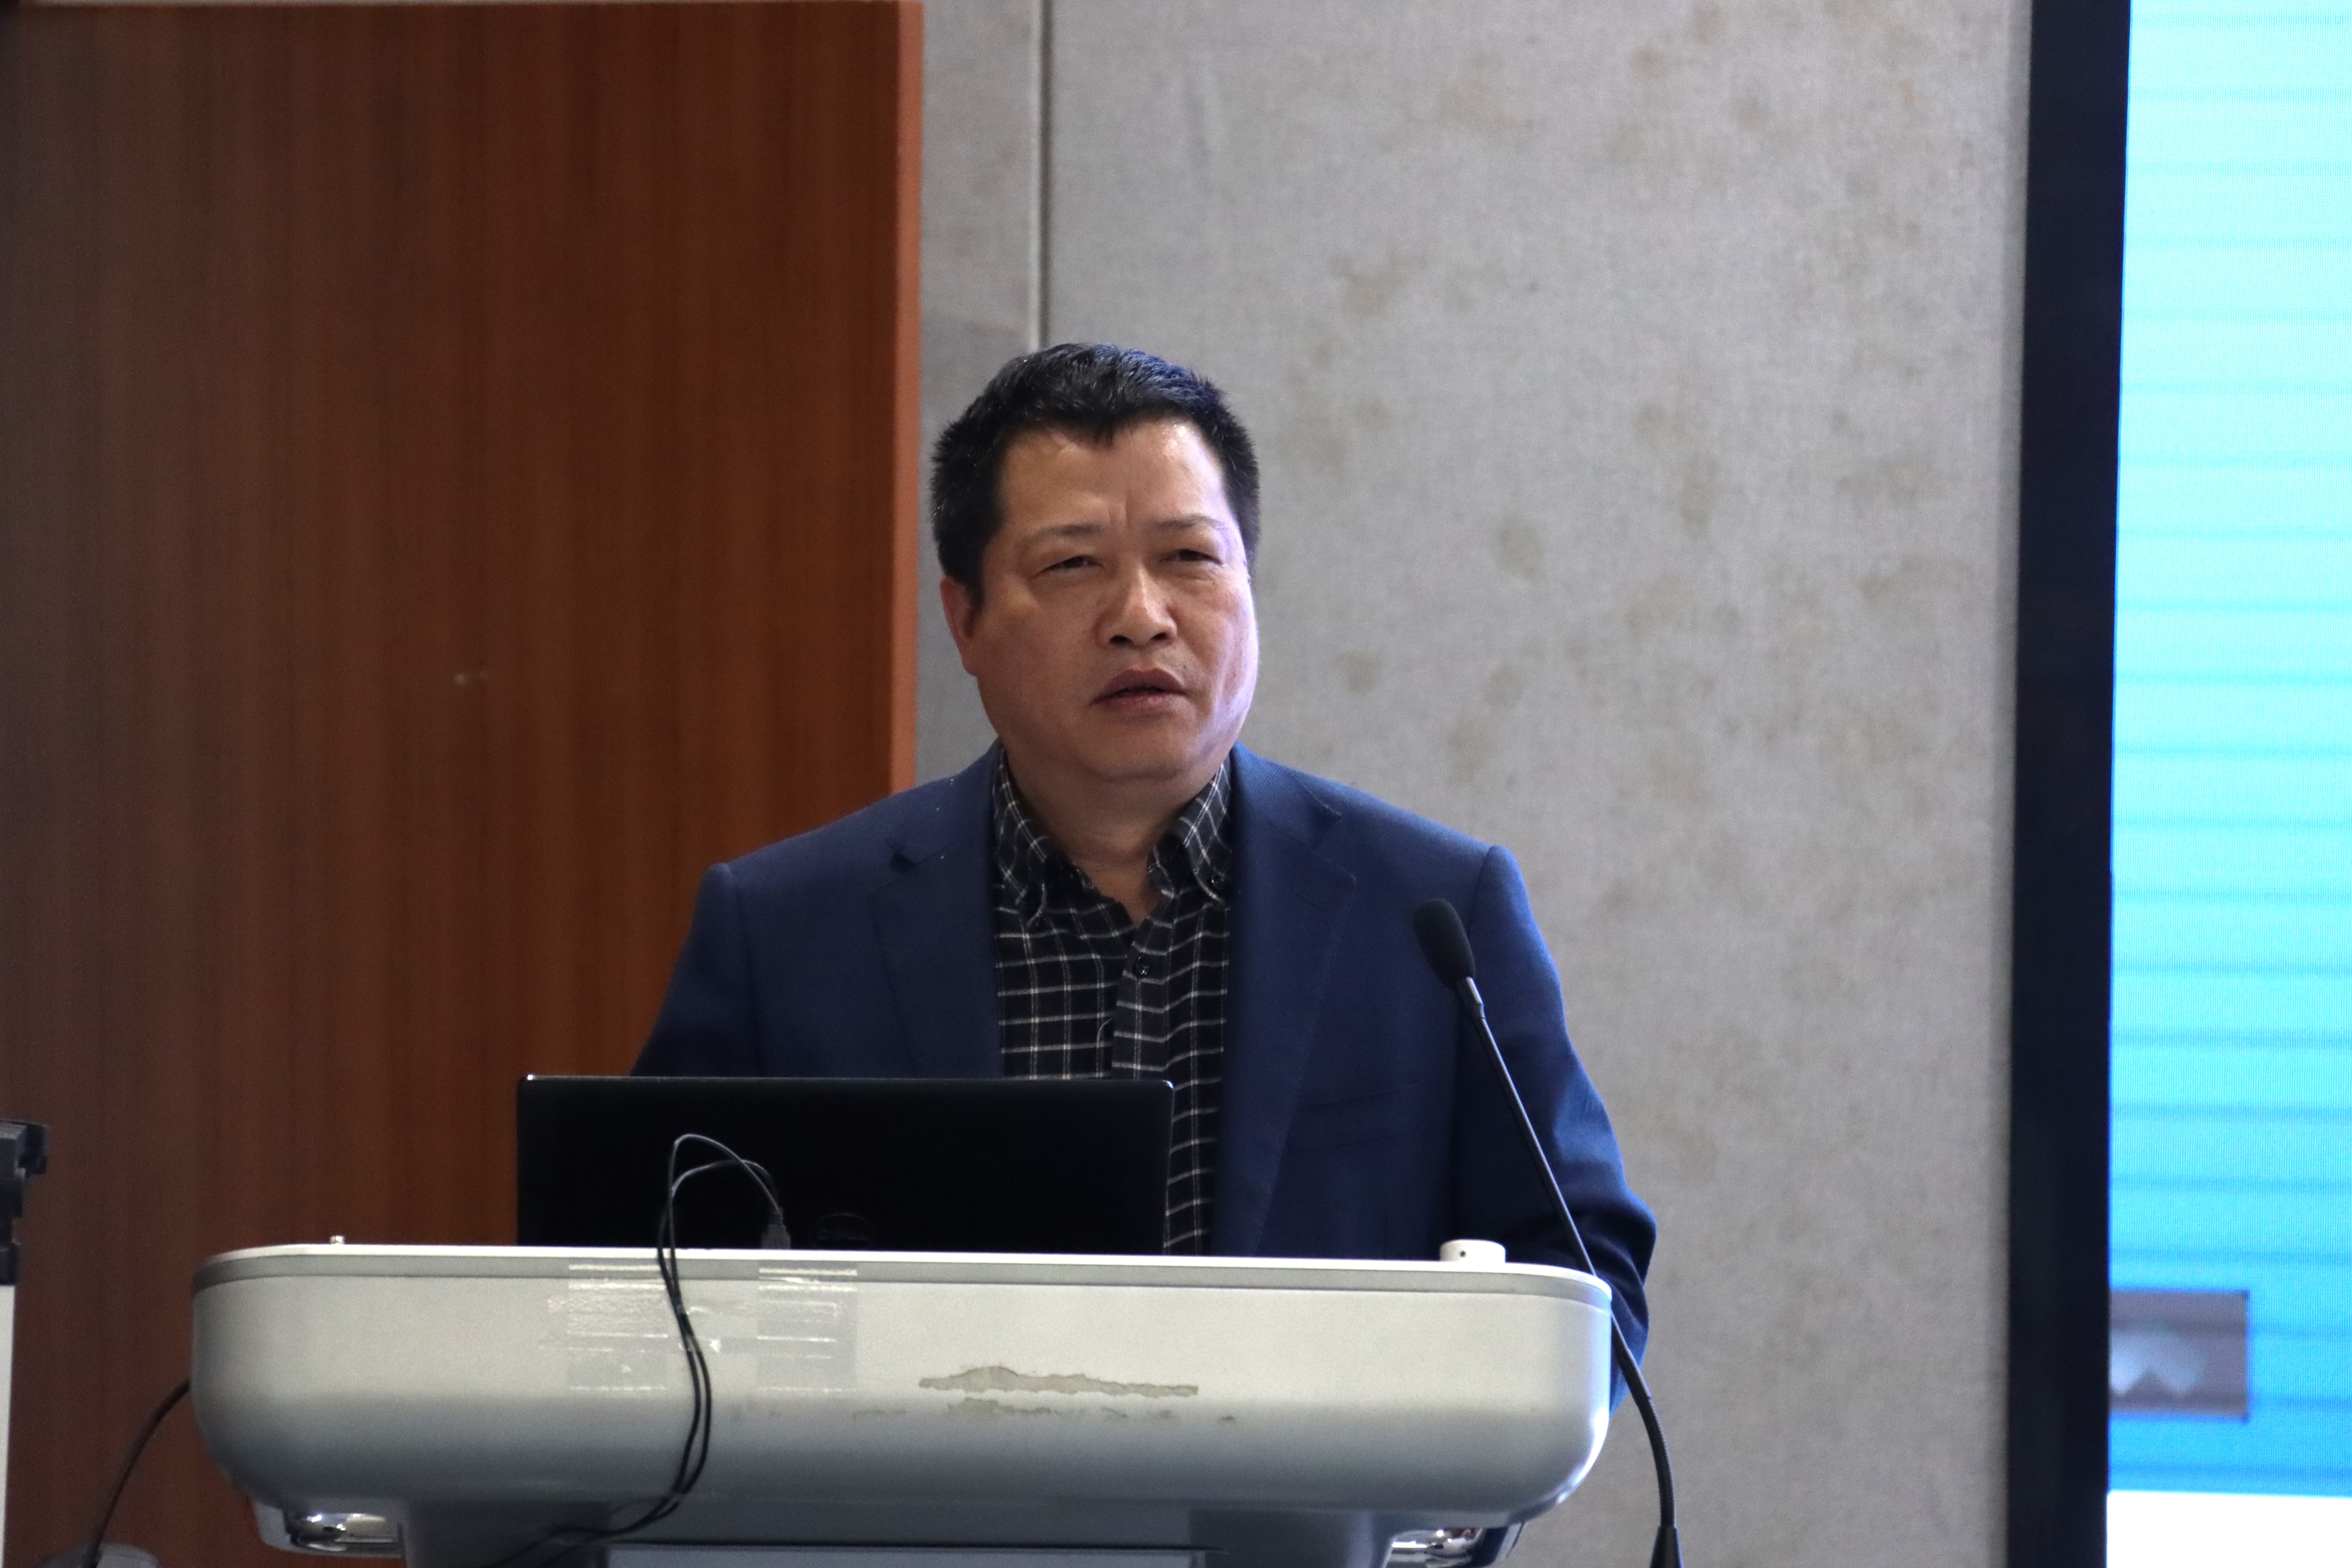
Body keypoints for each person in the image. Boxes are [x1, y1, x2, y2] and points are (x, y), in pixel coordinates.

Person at [634, 343, 1656, 1360]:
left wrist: (1421, 1458)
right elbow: (633, 1296)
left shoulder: (1434, 917)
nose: (1141, 619)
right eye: (1073, 565)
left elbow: (1585, 1285)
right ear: (966, 619)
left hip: (1309, 1476)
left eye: (1190, 559)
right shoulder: (786, 933)